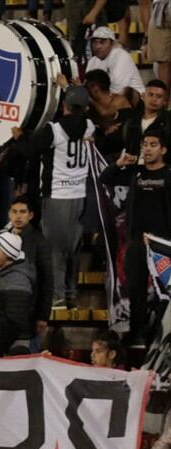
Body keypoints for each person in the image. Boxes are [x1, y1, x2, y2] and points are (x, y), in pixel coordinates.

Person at [12, 86, 94, 310]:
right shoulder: (89, 125)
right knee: (73, 248)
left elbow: (29, 150)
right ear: (85, 107)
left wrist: (18, 137)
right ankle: (70, 295)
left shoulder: (54, 130)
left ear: (63, 105)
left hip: (57, 194)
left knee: (55, 248)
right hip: (80, 195)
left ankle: (57, 297)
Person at [101, 131, 171, 344]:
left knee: (163, 294)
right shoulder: (135, 173)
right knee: (136, 292)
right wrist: (120, 163)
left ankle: (159, 336)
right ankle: (136, 334)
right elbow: (106, 178)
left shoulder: (169, 174)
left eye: (153, 144)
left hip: (162, 246)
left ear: (163, 149)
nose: (147, 148)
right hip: (137, 244)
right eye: (145, 144)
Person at [6, 196, 54, 338]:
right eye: (14, 212)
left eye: (22, 212)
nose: (18, 216)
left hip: (29, 311)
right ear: (9, 214)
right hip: (4, 310)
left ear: (30, 215)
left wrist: (43, 315)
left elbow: (47, 280)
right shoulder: (3, 238)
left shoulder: (39, 241)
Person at [0, 231, 36, 354]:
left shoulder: (18, 280)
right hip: (1, 339)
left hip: (13, 345)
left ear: (9, 252)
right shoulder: (0, 272)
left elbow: (15, 322)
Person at [85, 26, 145, 97]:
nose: (98, 46)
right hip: (108, 99)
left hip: (133, 100)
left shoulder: (121, 56)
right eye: (94, 42)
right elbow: (88, 86)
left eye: (102, 42)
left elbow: (118, 89)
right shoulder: (92, 61)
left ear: (112, 43)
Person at [121, 79, 171, 164]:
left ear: (164, 102)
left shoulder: (168, 120)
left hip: (162, 170)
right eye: (150, 95)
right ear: (143, 96)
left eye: (159, 96)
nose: (154, 99)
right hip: (134, 171)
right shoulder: (131, 122)